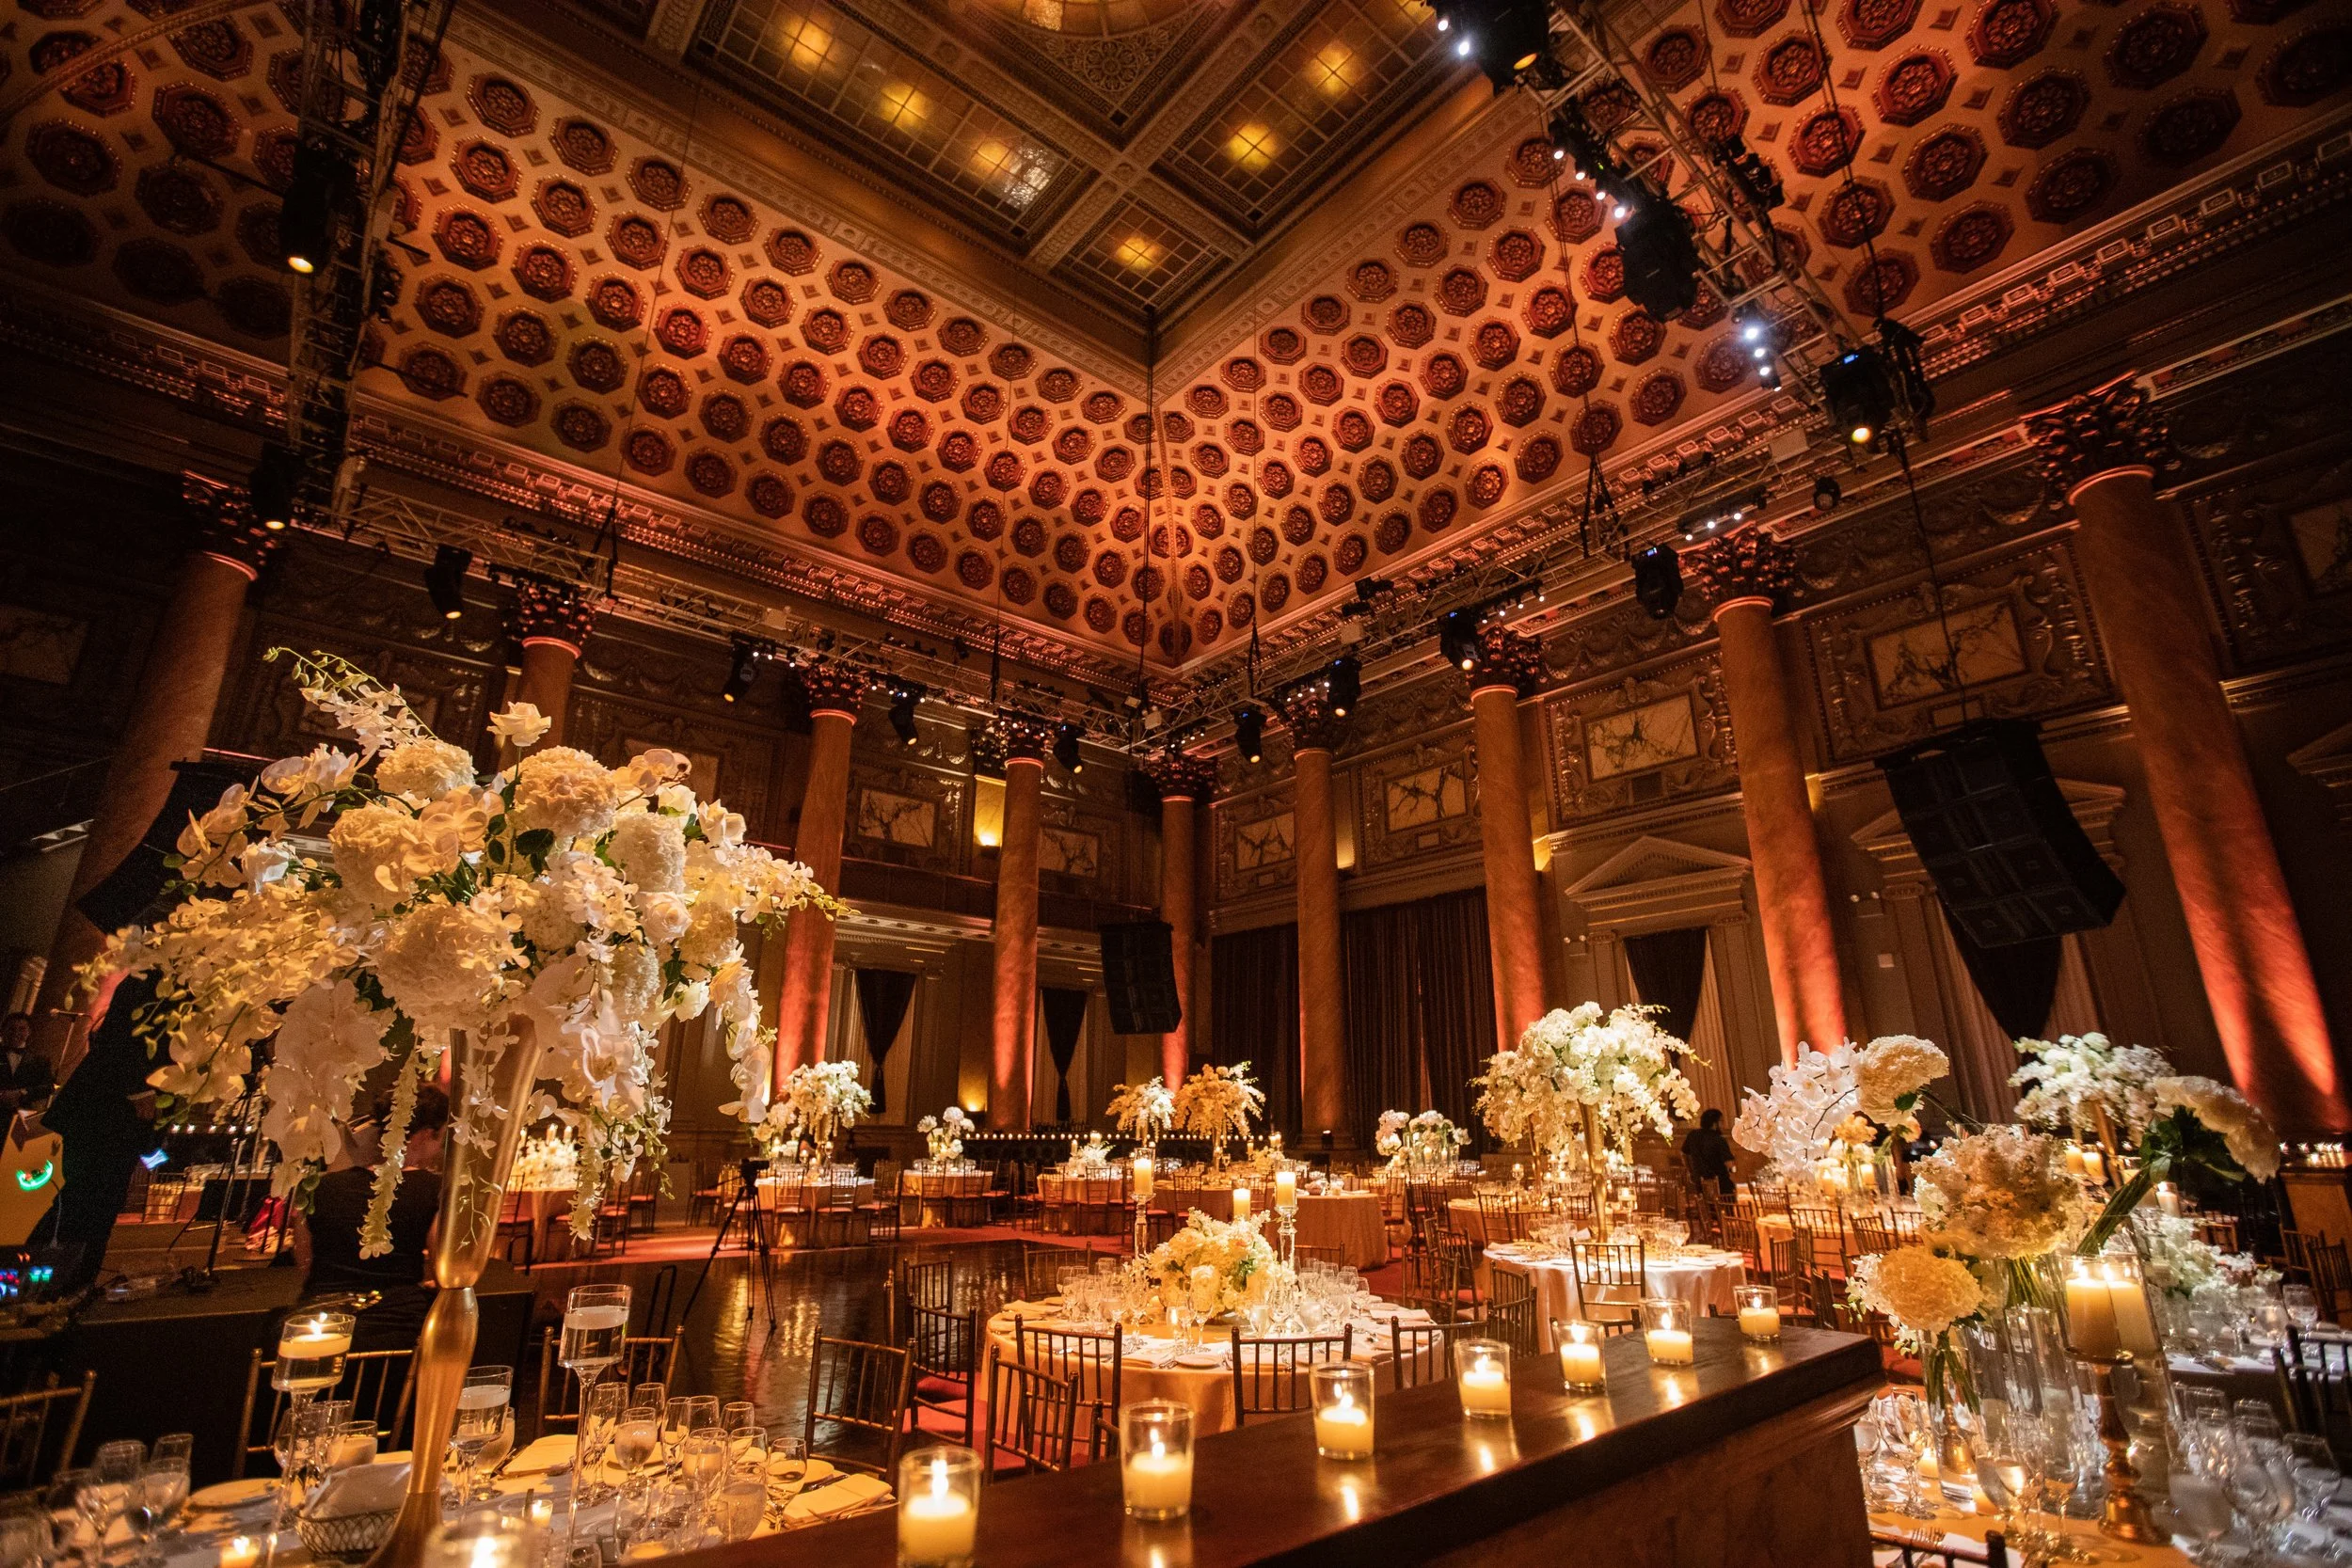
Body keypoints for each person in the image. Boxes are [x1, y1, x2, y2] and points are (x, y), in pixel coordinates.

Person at [294, 1083, 449, 1351]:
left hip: (314, 1333)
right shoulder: (434, 1190)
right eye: (440, 1139)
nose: (439, 1149)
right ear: (424, 1135)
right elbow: (443, 1269)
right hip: (397, 1338)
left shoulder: (318, 1187)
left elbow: (305, 1263)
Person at [1682, 1107, 1736, 1198]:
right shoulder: (1719, 1139)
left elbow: (1684, 1154)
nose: (1723, 1125)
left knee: (1706, 1209)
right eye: (1721, 1121)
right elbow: (1729, 1164)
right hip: (1720, 1185)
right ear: (1715, 1123)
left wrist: (1691, 1171)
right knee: (1727, 1209)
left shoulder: (1693, 1135)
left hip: (1700, 1183)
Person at [0, 1014, 51, 1112]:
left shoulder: (40, 1061)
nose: (16, 1033)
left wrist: (22, 1093)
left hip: (20, 1116)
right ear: (3, 1031)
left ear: (29, 1032)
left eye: (22, 1029)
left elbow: (48, 1087)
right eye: (11, 1028)